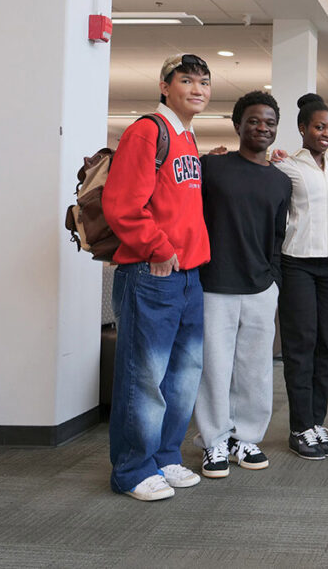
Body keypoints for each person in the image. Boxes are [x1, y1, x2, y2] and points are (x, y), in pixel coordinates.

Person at [102, 53, 212, 501]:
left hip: (189, 277)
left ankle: (166, 456)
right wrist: (159, 248)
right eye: (187, 80)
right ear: (165, 86)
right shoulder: (148, 130)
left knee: (183, 375)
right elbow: (122, 204)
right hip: (153, 273)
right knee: (143, 375)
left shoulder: (187, 137)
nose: (198, 89)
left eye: (204, 82)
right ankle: (131, 469)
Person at [193, 91, 291, 478]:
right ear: (237, 125)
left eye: (269, 122)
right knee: (215, 368)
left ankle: (246, 437)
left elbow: (279, 237)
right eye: (253, 120)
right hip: (215, 283)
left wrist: (274, 281)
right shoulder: (212, 168)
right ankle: (214, 442)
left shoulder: (281, 181)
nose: (262, 127)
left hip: (260, 288)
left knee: (255, 369)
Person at [276, 93, 328, 461]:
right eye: (319, 127)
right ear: (302, 128)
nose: (325, 133)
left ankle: (316, 422)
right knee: (301, 347)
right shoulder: (287, 166)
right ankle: (299, 426)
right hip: (299, 264)